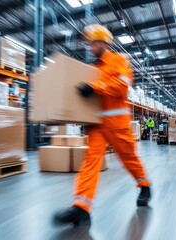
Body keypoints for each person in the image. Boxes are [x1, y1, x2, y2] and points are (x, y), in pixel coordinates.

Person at [53, 24, 151, 226]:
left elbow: (122, 86)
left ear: (102, 42)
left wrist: (95, 87)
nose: (89, 47)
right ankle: (81, 207)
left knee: (129, 158)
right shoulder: (93, 69)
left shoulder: (118, 60)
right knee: (90, 162)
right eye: (89, 44)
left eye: (92, 43)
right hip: (97, 124)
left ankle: (144, 185)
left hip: (117, 123)